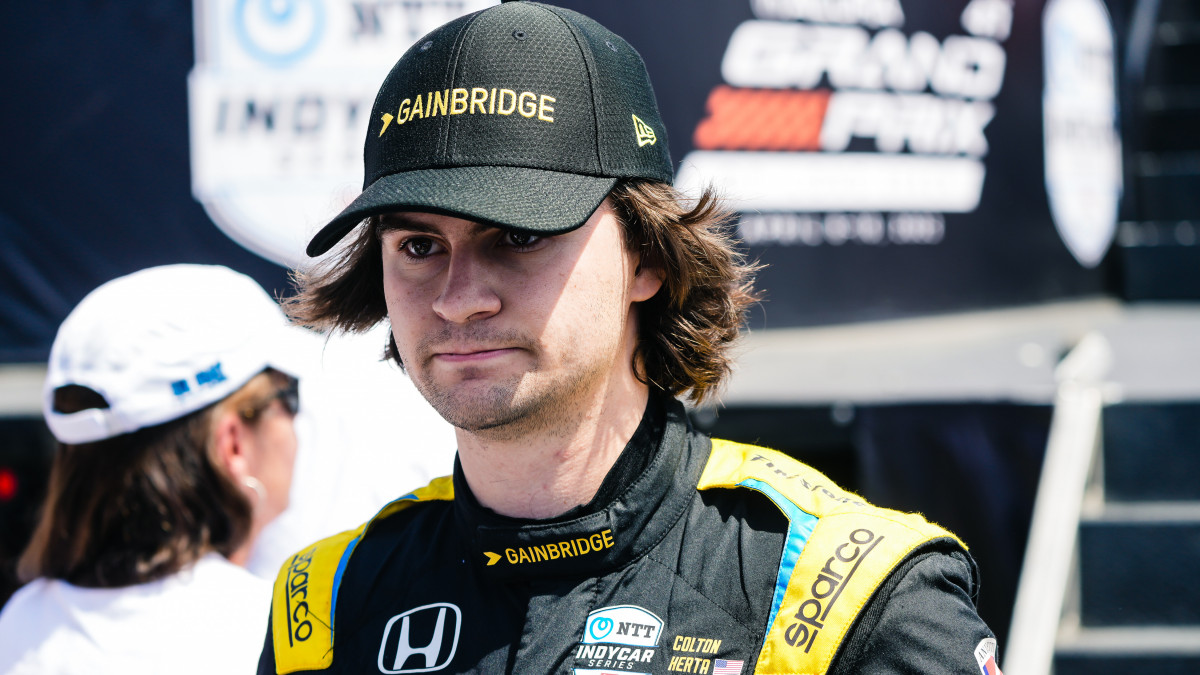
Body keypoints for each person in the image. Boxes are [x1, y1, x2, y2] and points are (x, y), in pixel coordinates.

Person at [260, 2, 1004, 674]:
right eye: (419, 246)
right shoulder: (322, 604)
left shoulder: (858, 594)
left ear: (647, 257)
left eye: (519, 234)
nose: (459, 298)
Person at [0, 264, 304, 674]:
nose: (297, 424)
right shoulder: (279, 636)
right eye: (289, 396)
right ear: (232, 442)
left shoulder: (22, 622)